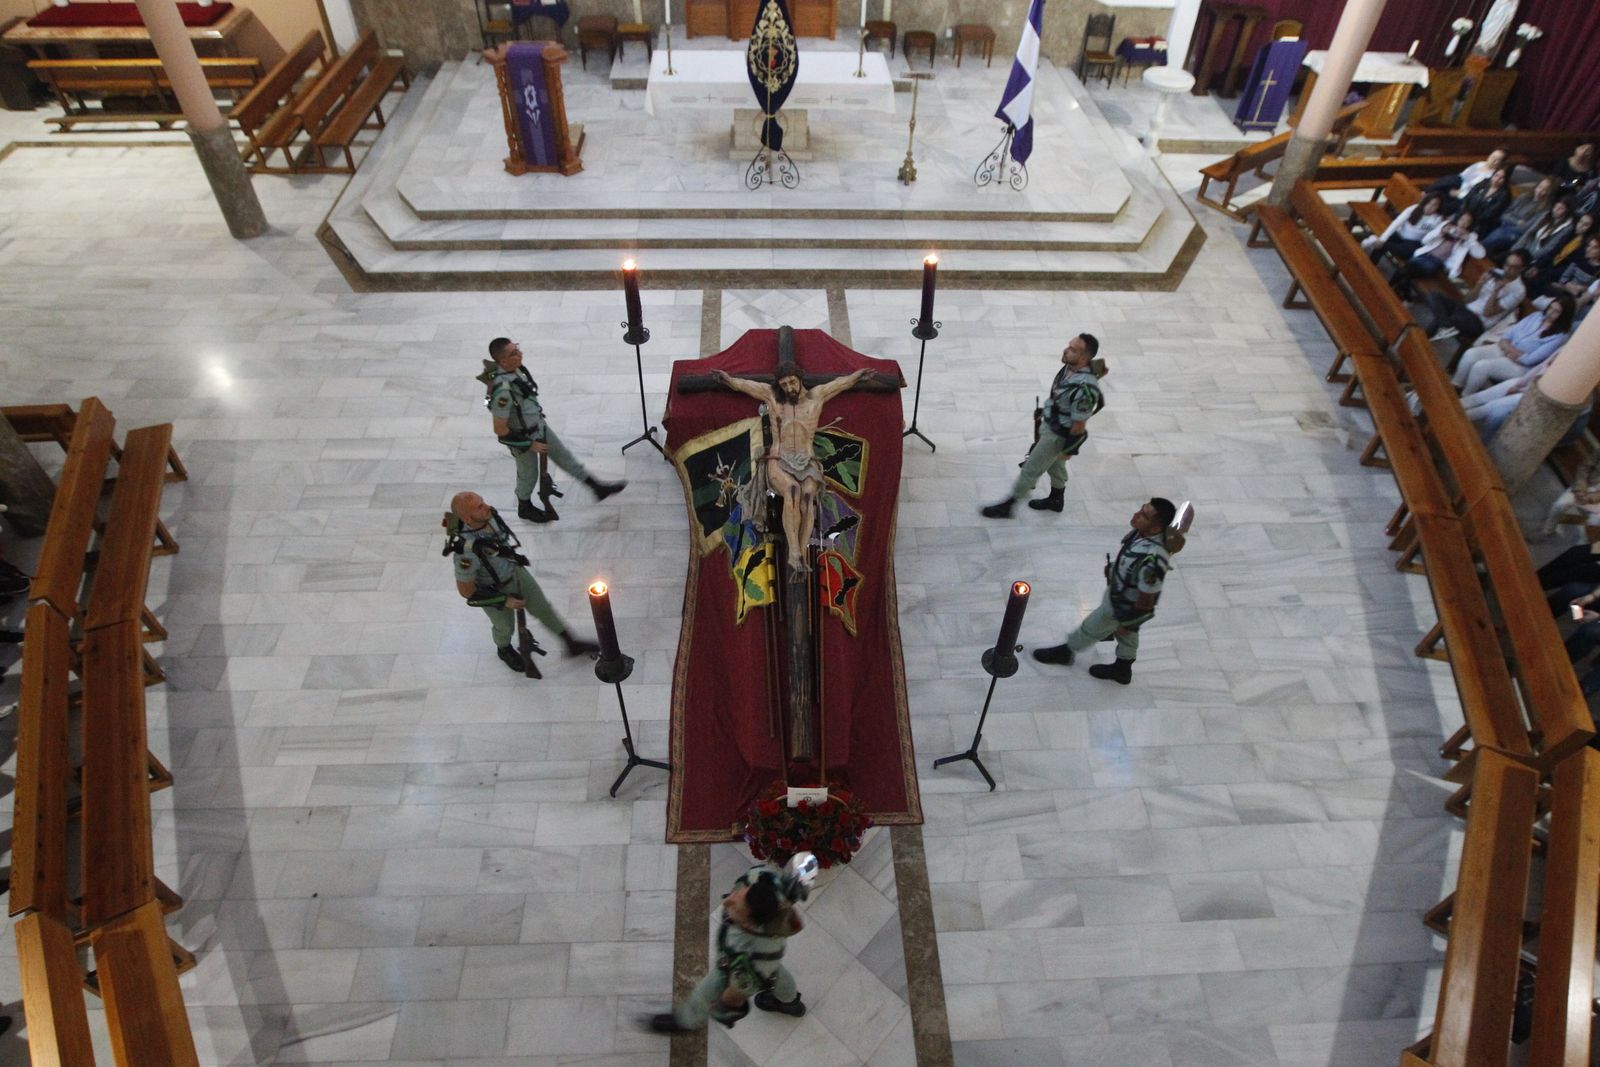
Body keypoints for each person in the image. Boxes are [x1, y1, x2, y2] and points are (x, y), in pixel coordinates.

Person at [710, 363, 871, 573]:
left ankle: (801, 553)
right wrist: (729, 380)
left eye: (792, 382)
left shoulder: (817, 396)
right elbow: (746, 385)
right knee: (792, 491)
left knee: (807, 498)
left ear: (800, 379)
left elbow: (840, 384)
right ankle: (793, 553)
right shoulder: (773, 397)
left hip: (808, 460)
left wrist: (857, 376)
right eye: (784, 384)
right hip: (779, 458)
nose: (789, 388)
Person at [649, 858, 813, 1033]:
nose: (727, 902)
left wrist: (724, 1010)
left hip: (737, 962)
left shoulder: (757, 958)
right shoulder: (761, 879)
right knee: (776, 974)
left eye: (735, 908)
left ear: (751, 924)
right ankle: (791, 1003)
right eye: (737, 894)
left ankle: (686, 1022)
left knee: (704, 993)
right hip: (754, 955)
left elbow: (735, 996)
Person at [1032, 498, 1182, 685]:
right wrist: (1114, 569)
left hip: (1123, 605)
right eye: (1141, 509)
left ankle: (1066, 651)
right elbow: (1131, 563)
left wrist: (1129, 622)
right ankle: (1123, 669)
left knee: (1091, 627)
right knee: (1127, 637)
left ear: (1156, 527)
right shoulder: (1140, 534)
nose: (1136, 515)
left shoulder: (1153, 560)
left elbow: (1146, 600)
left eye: (1144, 515)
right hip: (1119, 593)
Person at [446, 491, 599, 672]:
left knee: (542, 607)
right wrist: (503, 600)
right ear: (466, 517)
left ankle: (570, 642)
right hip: (493, 590)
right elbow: (466, 591)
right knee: (504, 627)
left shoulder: (489, 516)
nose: (487, 506)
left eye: (483, 501)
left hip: (514, 571)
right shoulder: (466, 553)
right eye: (479, 506)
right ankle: (504, 649)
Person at [483, 338, 625, 523]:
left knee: (564, 457)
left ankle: (596, 487)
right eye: (513, 353)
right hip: (523, 438)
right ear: (503, 361)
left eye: (517, 349)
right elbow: (500, 430)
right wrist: (530, 445)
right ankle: (524, 506)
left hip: (539, 427)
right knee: (529, 474)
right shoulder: (502, 391)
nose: (520, 354)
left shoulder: (517, 370)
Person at [981, 334, 1105, 518]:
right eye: (1068, 346)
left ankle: (1008, 505)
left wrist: (1069, 449)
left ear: (1084, 358)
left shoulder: (1085, 389)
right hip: (1051, 423)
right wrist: (1046, 411)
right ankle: (1056, 499)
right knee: (1055, 466)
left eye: (1072, 349)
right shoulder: (1070, 368)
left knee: (1031, 468)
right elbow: (1060, 395)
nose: (1066, 350)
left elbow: (1079, 424)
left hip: (1057, 435)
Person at [1452, 294, 1575, 394]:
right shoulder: (1535, 316)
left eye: (1556, 312)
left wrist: (1511, 351)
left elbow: (1530, 360)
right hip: (1506, 349)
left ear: (1564, 316)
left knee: (1482, 366)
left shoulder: (1559, 336)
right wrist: (1510, 349)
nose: (1550, 313)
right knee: (1471, 354)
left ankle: (1465, 396)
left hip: (1521, 366)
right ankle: (1456, 386)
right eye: (1550, 308)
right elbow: (1508, 335)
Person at [1422, 248, 1528, 347]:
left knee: (1446, 317)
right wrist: (1480, 283)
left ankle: (1424, 340)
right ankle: (1443, 325)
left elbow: (1488, 312)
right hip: (1465, 308)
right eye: (1506, 264)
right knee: (1433, 295)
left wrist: (1495, 291)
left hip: (1478, 321)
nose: (1507, 269)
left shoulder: (1518, 290)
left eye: (1513, 267)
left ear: (1522, 269)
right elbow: (1467, 299)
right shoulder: (1497, 272)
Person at [1390, 210, 1483, 300]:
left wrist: (1468, 239)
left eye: (1468, 222)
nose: (1463, 223)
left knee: (1404, 271)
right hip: (1423, 254)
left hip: (1434, 262)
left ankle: (1390, 289)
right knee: (1406, 273)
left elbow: (1480, 254)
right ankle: (1402, 295)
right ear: (1458, 218)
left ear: (1471, 224)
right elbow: (1425, 240)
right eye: (1462, 219)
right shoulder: (1448, 225)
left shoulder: (1470, 237)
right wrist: (1441, 232)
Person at [1481, 176, 1558, 254]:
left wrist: (1511, 219)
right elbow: (1504, 214)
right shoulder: (1524, 197)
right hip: (1503, 224)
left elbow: (1525, 228)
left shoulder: (1544, 210)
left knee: (1498, 235)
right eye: (1540, 187)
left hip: (1515, 234)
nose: (1540, 191)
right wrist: (1517, 221)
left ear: (1549, 193)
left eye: (1545, 190)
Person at [1362, 193, 1447, 262]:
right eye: (1429, 203)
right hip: (1400, 234)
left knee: (1407, 251)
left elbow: (1433, 235)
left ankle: (1374, 242)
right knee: (1385, 241)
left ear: (1438, 207)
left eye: (1434, 205)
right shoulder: (1414, 209)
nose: (1430, 207)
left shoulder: (1437, 219)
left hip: (1413, 242)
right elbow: (1396, 223)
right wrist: (1382, 239)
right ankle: (1372, 261)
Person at [1425, 147, 1510, 205]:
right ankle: (1427, 193)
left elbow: (1476, 191)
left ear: (1501, 163)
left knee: (1444, 196)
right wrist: (1454, 188)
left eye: (1497, 160)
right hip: (1457, 184)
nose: (1492, 160)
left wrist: (1459, 193)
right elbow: (1462, 175)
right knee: (1451, 179)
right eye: (1492, 157)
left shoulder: (1492, 176)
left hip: (1464, 196)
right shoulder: (1480, 164)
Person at [1460, 167, 1514, 235]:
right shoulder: (1484, 183)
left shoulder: (1505, 195)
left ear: (1506, 180)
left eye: (1502, 178)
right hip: (1465, 215)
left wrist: (1471, 218)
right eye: (1496, 175)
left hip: (1482, 224)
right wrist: (1465, 212)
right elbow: (1467, 197)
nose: (1497, 179)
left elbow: (1491, 213)